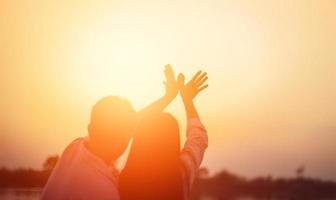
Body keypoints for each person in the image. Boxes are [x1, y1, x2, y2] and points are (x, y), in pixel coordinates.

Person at [41, 64, 184, 200]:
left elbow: (131, 121)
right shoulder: (102, 190)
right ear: (126, 136)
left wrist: (167, 97)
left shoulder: (75, 148)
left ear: (90, 128)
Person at [119, 70, 209, 200]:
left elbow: (125, 127)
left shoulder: (115, 181)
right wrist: (187, 100)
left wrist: (168, 97)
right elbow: (198, 139)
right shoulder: (181, 175)